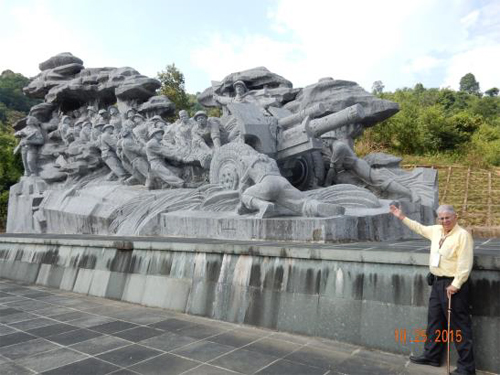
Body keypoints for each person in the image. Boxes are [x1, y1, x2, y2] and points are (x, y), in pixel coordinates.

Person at [389, 204, 475, 375]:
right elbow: (419, 228)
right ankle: (432, 356)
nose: (444, 221)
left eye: (447, 218)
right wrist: (401, 216)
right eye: (441, 218)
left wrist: (456, 284)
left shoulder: (462, 235)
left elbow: (465, 263)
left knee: (459, 327)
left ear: (455, 217)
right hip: (437, 284)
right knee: (434, 322)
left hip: (452, 286)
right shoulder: (436, 231)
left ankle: (467, 368)